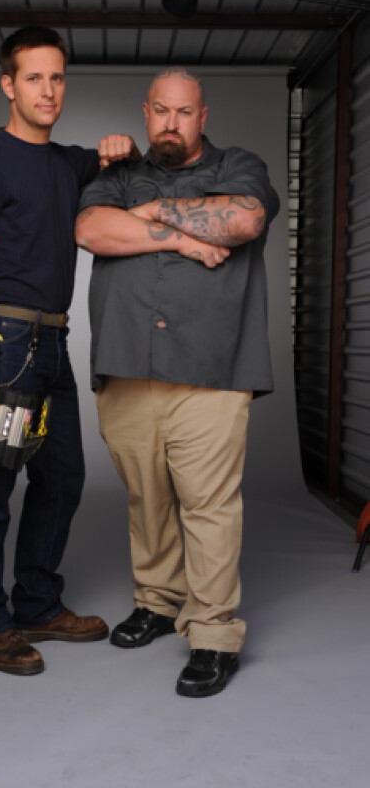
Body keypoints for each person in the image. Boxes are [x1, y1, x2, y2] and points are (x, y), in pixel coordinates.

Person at [75, 67, 279, 697]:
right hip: (127, 364)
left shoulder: (238, 165)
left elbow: (244, 220)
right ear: (146, 112)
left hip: (212, 370)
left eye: (184, 112)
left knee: (209, 505)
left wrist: (155, 212)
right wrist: (188, 240)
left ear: (202, 117)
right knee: (148, 498)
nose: (171, 123)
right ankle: (159, 601)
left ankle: (213, 634)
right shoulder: (118, 175)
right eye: (161, 111)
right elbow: (91, 229)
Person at [0, 26, 138, 676]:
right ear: (9, 85)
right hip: (7, 353)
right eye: (34, 78)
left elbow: (123, 165)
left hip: (51, 346)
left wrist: (124, 145)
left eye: (57, 77)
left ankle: (36, 604)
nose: (48, 90)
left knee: (63, 478)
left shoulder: (67, 163)